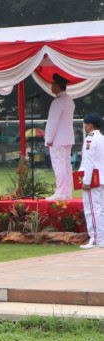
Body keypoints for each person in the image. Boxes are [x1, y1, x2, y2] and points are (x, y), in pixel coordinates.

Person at [45, 73, 75, 201]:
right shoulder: (69, 100)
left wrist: (49, 139)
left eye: (53, 83)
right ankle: (67, 191)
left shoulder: (57, 101)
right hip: (67, 138)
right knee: (66, 165)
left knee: (59, 165)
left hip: (58, 139)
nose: (51, 86)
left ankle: (61, 191)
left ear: (57, 85)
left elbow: (53, 122)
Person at [78, 113, 104, 249]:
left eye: (86, 125)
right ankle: (101, 237)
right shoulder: (102, 138)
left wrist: (86, 180)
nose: (85, 127)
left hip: (93, 178)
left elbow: (89, 161)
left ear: (90, 125)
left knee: (92, 209)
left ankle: (96, 239)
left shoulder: (90, 139)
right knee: (99, 209)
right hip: (101, 177)